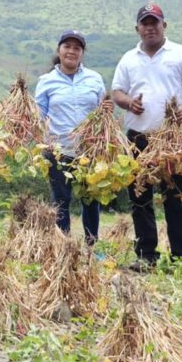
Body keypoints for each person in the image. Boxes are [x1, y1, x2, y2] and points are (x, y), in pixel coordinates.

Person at [111, 3, 182, 270]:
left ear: (165, 25)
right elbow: (117, 93)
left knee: (176, 199)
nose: (150, 27)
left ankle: (181, 259)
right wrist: (129, 103)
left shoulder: (181, 54)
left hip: (172, 138)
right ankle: (146, 256)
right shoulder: (128, 59)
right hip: (138, 137)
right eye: (145, 23)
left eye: (155, 22)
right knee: (140, 198)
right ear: (137, 28)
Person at [35, 30, 112, 245]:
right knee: (61, 201)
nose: (71, 51)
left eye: (76, 48)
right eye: (67, 46)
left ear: (82, 53)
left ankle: (91, 246)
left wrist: (107, 111)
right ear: (58, 50)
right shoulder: (46, 81)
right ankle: (63, 246)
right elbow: (38, 115)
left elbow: (102, 114)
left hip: (89, 151)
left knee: (91, 200)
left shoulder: (94, 79)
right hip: (58, 151)